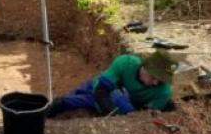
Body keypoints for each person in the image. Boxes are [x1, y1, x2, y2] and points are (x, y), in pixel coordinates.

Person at [47, 50, 177, 118]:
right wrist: (110, 111)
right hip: (100, 89)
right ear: (145, 67)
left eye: (160, 80)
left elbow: (145, 116)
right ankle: (45, 115)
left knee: (77, 102)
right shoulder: (126, 63)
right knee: (65, 102)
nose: (156, 83)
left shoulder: (164, 91)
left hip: (125, 103)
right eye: (154, 77)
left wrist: (124, 112)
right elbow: (101, 91)